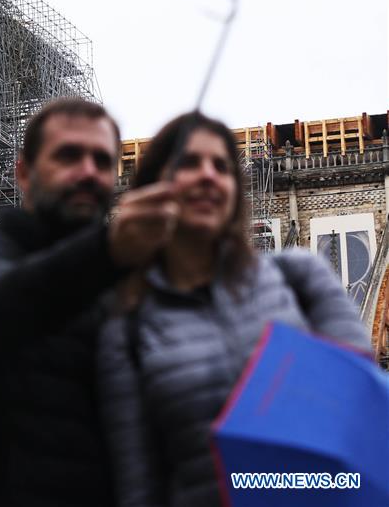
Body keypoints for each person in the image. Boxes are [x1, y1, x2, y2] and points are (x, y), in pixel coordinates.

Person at [0, 98, 180, 507]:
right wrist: (108, 250)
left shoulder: (119, 293)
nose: (88, 172)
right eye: (69, 155)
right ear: (23, 172)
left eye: (103, 161)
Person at [96, 111, 371, 507]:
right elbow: (136, 479)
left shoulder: (299, 275)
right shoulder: (126, 327)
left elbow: (358, 394)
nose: (208, 175)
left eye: (222, 166)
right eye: (189, 163)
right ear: (152, 189)